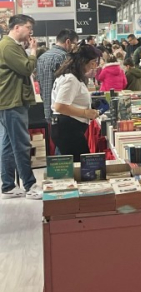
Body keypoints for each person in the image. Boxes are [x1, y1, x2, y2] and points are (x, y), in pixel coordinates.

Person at [0, 14, 42, 200]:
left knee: (8, 145)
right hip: (12, 101)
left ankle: (8, 186)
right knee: (21, 144)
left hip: (10, 101)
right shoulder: (8, 46)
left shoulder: (11, 46)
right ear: (16, 27)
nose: (30, 32)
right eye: (28, 28)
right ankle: (30, 185)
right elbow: (26, 68)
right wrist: (33, 52)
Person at [50, 45, 102, 161]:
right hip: (68, 128)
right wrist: (85, 113)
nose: (94, 66)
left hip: (67, 127)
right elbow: (60, 106)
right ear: (84, 62)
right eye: (93, 62)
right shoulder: (70, 78)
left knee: (73, 163)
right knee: (81, 164)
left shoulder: (72, 77)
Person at [37, 29, 79, 124]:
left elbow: (40, 83)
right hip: (63, 109)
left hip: (47, 107)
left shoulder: (41, 58)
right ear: (68, 42)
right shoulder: (65, 57)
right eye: (75, 44)